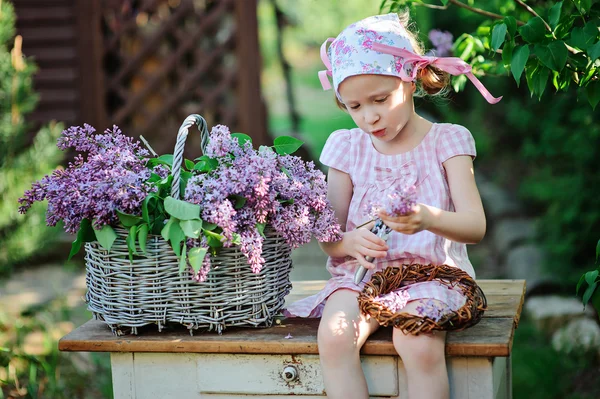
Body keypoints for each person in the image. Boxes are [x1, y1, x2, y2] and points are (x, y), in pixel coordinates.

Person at [284, 11, 501, 399]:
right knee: (334, 337)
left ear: (410, 79)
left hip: (432, 278)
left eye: (380, 99)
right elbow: (330, 235)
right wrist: (347, 244)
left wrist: (427, 218)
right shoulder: (346, 148)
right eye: (354, 106)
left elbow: (475, 225)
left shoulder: (447, 142)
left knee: (417, 344)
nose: (369, 116)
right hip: (361, 278)